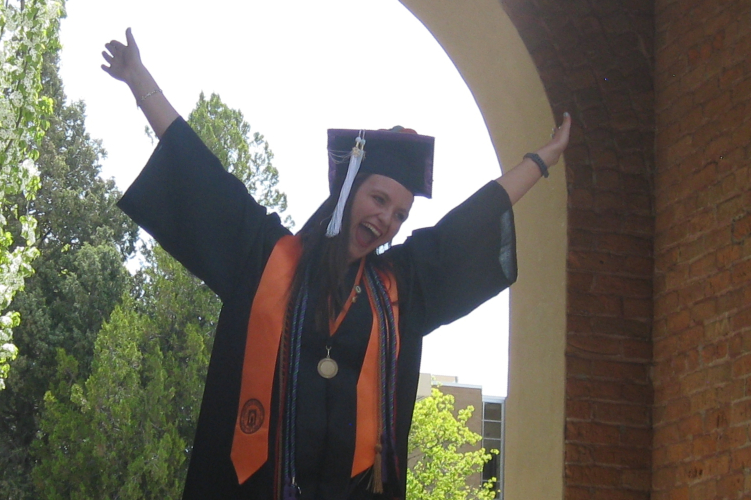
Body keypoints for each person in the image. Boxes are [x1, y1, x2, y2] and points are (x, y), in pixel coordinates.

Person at [102, 29, 571, 500]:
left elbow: (467, 226)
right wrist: (139, 80)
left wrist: (540, 161)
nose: (386, 219)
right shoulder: (267, 257)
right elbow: (202, 175)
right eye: (379, 199)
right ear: (348, 192)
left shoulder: (395, 290)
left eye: (400, 214)